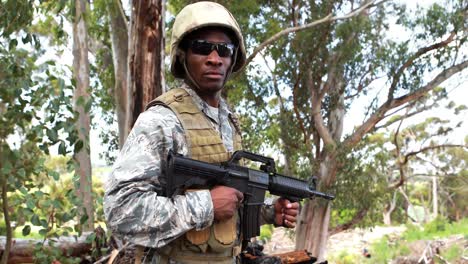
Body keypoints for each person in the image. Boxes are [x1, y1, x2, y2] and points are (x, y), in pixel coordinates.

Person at [104, 2, 299, 263]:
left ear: (232, 60)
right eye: (202, 47)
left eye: (225, 50)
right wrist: (205, 205)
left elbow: (227, 203)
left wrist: (267, 213)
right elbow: (120, 212)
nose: (214, 58)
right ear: (183, 55)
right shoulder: (162, 120)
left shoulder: (228, 122)